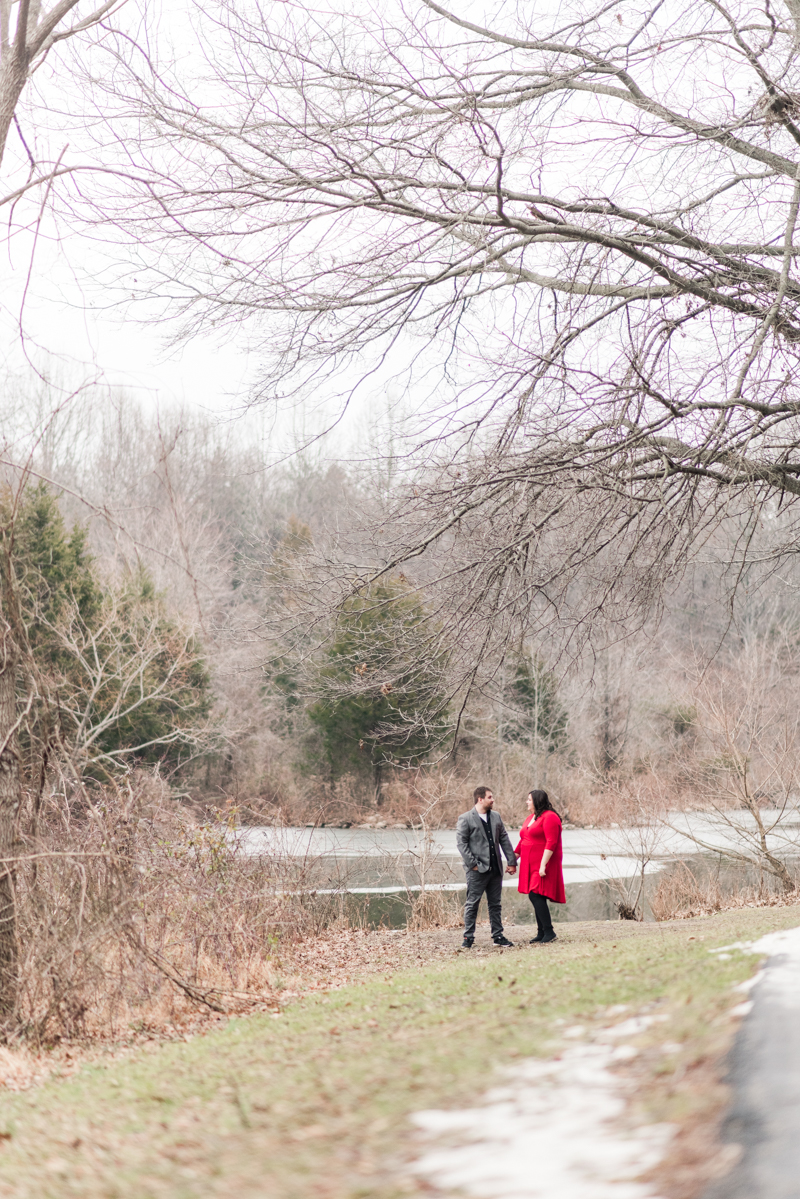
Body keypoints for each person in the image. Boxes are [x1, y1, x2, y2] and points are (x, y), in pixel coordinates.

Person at [456, 785, 517, 949]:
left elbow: (504, 839)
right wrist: (473, 865)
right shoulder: (466, 818)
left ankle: (498, 936)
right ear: (480, 799)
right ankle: (468, 937)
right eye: (490, 797)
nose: (493, 800)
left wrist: (511, 862)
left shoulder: (496, 816)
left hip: (496, 869)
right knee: (472, 903)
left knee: (495, 904)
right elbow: (461, 844)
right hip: (477, 871)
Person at [515, 789, 565, 944]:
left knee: (535, 894)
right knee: (537, 895)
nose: (527, 802)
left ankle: (549, 931)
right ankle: (541, 932)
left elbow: (551, 842)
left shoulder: (550, 817)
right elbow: (524, 839)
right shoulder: (531, 817)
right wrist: (512, 860)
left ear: (537, 801)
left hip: (544, 862)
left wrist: (543, 865)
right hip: (530, 863)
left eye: (529, 799)